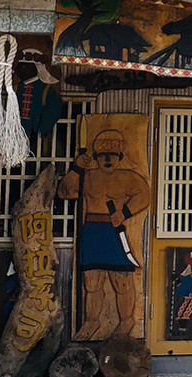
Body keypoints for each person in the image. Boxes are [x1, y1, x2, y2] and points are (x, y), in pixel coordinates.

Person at [58, 128, 150, 340]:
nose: (108, 160)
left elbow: (143, 195)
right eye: (103, 156)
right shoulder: (87, 177)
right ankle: (92, 321)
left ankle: (127, 321)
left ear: (120, 157)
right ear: (96, 158)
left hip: (115, 230)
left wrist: (124, 212)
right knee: (92, 280)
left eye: (112, 156)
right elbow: (64, 192)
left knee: (122, 279)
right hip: (92, 230)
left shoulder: (128, 177)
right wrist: (76, 169)